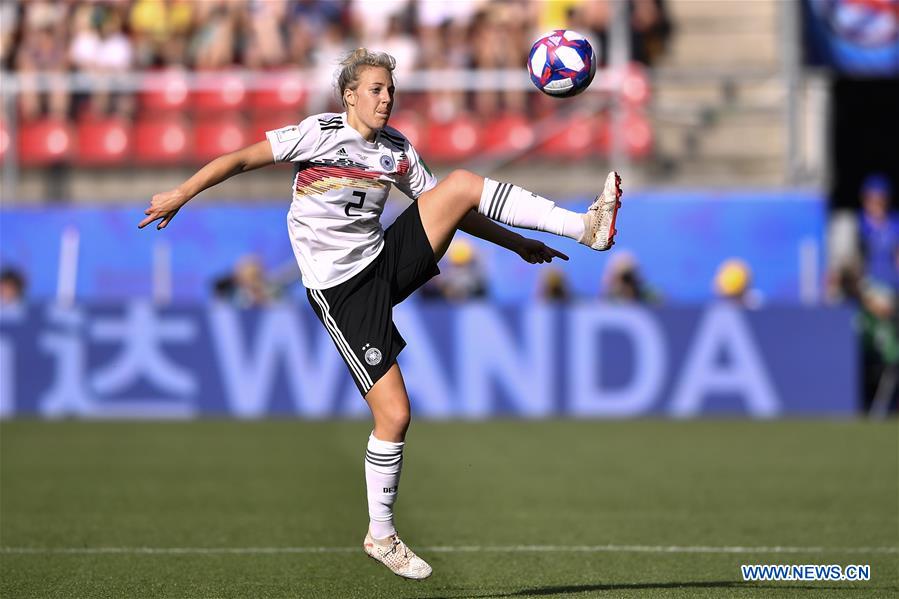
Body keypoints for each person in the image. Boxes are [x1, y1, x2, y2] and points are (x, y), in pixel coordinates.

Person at [139, 48, 622, 580]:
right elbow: (238, 159)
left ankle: (584, 227)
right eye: (375, 89)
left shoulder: (396, 151)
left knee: (459, 185)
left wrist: (517, 245)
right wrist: (182, 193)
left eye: (391, 90)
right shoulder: (317, 133)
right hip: (342, 293)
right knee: (394, 415)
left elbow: (456, 209)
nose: (386, 98)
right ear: (349, 95)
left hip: (383, 262)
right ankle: (381, 533)